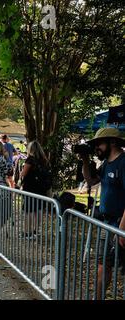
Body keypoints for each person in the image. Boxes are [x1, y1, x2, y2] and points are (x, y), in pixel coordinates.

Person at [80, 127, 125, 300]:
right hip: (106, 223)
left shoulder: (123, 162)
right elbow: (91, 180)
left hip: (120, 224)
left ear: (112, 142)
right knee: (102, 264)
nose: (96, 147)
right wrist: (85, 160)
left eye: (99, 143)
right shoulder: (106, 163)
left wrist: (121, 230)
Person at [20, 141, 52, 239]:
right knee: (38, 210)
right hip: (41, 189)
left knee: (28, 211)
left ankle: (27, 232)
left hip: (30, 189)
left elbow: (23, 174)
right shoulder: (44, 160)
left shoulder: (30, 160)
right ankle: (35, 231)